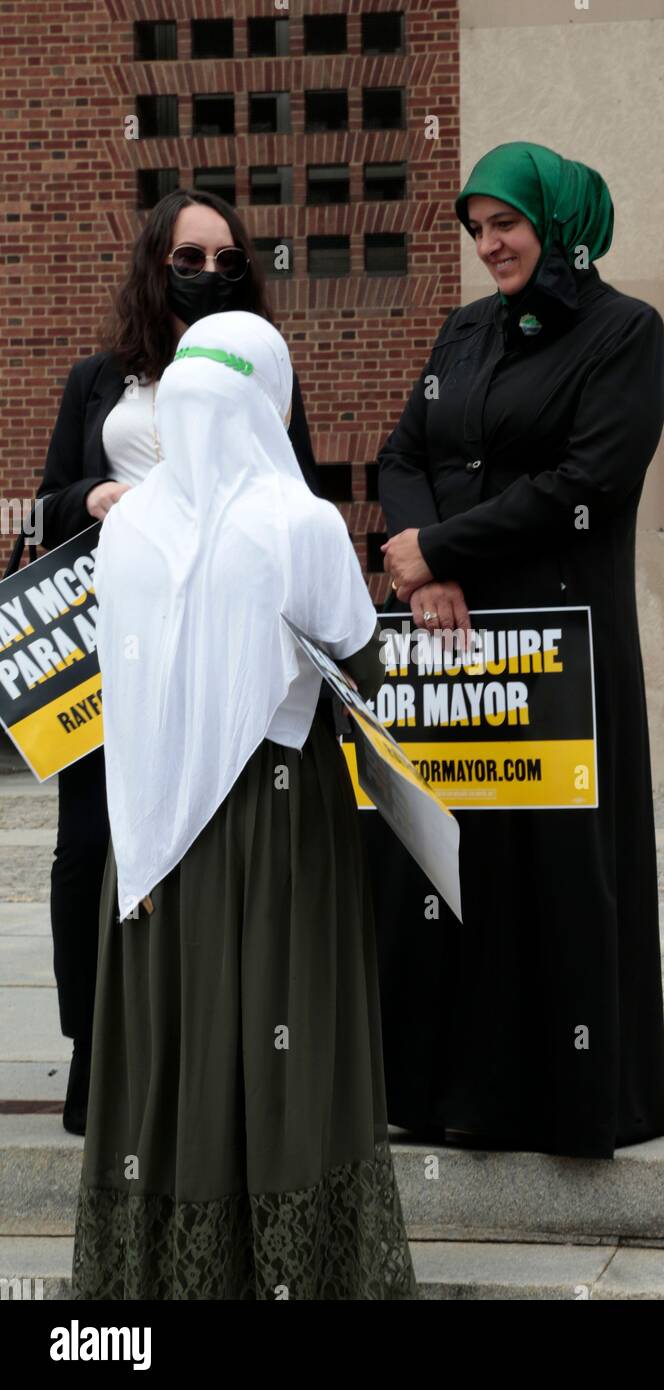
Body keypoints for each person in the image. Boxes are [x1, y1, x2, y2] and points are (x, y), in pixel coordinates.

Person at [70, 310, 417, 1300]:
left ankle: (158, 1280)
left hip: (146, 832)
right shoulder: (300, 521)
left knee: (168, 1044)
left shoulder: (128, 519)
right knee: (280, 1029)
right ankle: (292, 1273)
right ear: (269, 399)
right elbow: (361, 662)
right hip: (275, 821)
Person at [369, 141, 664, 1160]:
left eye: (505, 223)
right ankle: (444, 1091)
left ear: (558, 223)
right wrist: (426, 570)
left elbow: (585, 480)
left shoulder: (624, 333)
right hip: (453, 647)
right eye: (475, 227)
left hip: (561, 650)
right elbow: (403, 453)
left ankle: (567, 1099)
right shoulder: (463, 332)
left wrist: (441, 544)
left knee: (552, 872)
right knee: (449, 865)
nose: (488, 243)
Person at [34, 190, 323, 1135]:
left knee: (202, 848)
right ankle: (98, 1056)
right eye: (187, 256)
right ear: (153, 261)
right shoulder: (96, 380)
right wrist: (96, 495)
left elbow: (301, 503)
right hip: (111, 647)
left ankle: (207, 1062)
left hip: (221, 653)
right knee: (91, 849)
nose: (206, 273)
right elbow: (43, 508)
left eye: (225, 260)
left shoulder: (261, 376)